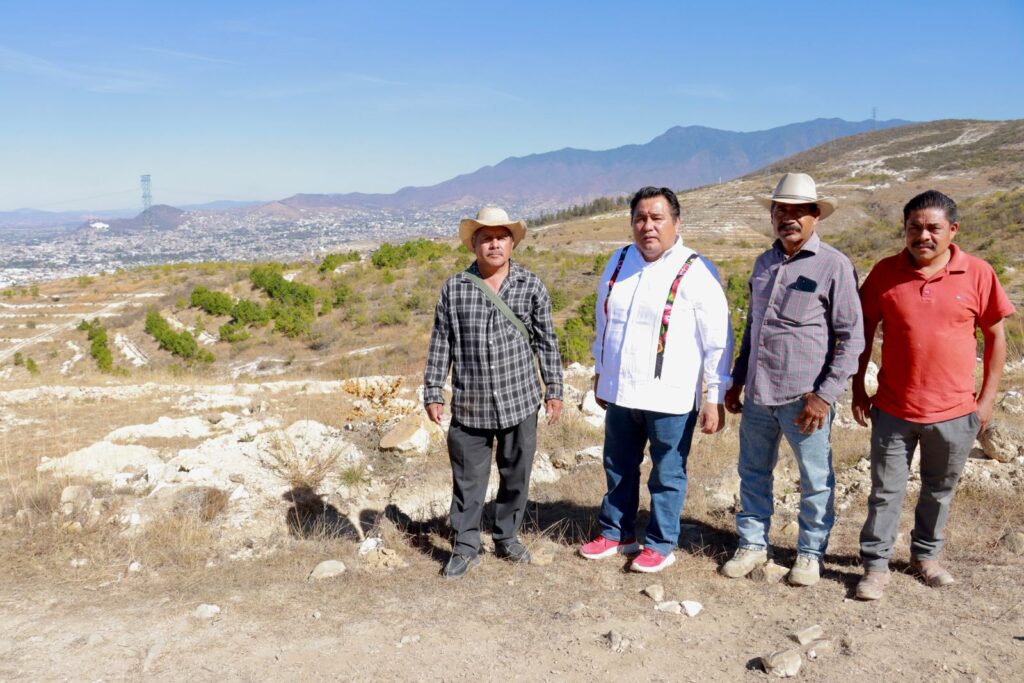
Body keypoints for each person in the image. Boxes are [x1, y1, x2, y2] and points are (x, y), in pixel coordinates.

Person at [852, 190, 1015, 600]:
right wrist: (858, 386)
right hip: (892, 407)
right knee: (885, 491)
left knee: (939, 489)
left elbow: (997, 338)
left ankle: (926, 557)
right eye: (914, 227)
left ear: (952, 230)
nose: (922, 235)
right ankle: (875, 566)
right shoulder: (885, 273)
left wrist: (986, 400)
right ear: (904, 229)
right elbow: (863, 331)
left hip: (956, 411)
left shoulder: (978, 273)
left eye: (932, 228)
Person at [579, 186, 733, 573]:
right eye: (640, 218)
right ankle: (617, 533)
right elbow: (604, 321)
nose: (647, 226)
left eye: (656, 217)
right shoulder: (618, 261)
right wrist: (600, 371)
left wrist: (715, 394)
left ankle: (661, 543)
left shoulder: (697, 269)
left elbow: (719, 338)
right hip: (621, 389)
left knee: (667, 472)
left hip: (671, 395)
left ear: (676, 222)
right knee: (618, 465)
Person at [722, 172, 864, 586]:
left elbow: (851, 337)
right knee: (752, 471)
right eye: (781, 209)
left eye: (799, 211)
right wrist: (737, 378)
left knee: (815, 480)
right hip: (759, 394)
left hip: (806, 399)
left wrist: (825, 396)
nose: (789, 218)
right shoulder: (763, 263)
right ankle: (751, 544)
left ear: (815, 215)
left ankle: (809, 553)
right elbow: (755, 328)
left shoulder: (834, 265)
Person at [424, 205, 564, 579]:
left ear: (512, 243)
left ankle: (507, 537)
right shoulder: (454, 288)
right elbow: (442, 342)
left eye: (501, 237)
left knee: (516, 475)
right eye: (486, 238)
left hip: (520, 399)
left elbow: (547, 342)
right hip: (470, 404)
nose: (494, 244)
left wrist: (555, 388)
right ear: (474, 245)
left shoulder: (530, 285)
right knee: (468, 480)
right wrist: (433, 390)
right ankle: (466, 545)